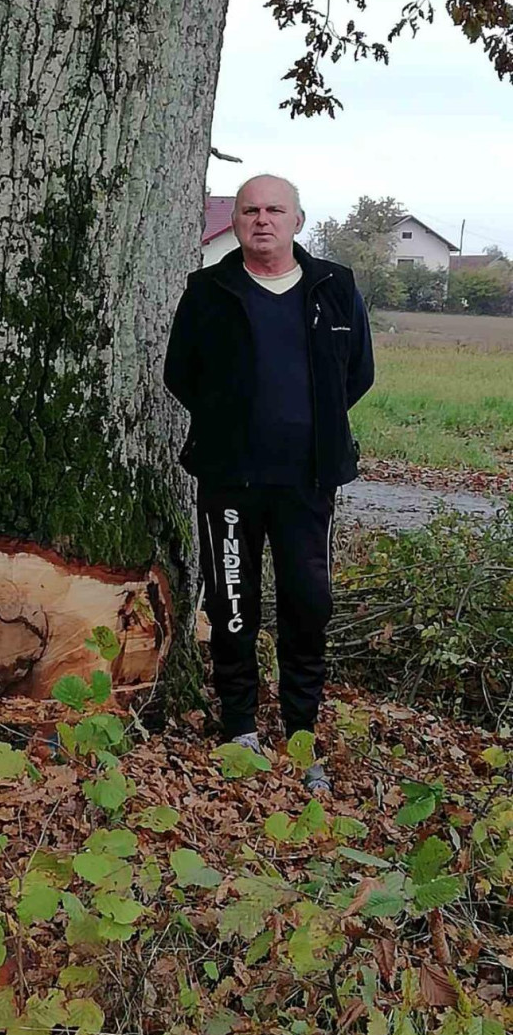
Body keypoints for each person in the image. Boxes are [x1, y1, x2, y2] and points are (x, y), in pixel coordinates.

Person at [164, 174, 374, 794]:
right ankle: (238, 729)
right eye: (250, 210)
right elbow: (182, 374)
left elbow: (357, 373)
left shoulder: (335, 287)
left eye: (274, 209)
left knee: (307, 604)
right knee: (233, 604)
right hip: (230, 479)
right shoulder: (208, 291)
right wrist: (233, 424)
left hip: (308, 480)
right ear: (235, 223)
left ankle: (300, 732)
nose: (262, 219)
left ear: (297, 220)